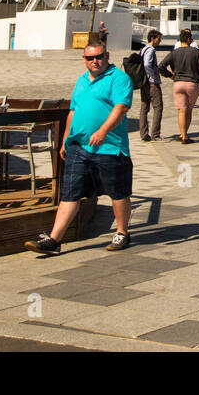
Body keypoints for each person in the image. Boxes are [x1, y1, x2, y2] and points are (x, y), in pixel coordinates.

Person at [24, 41, 134, 255]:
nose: (95, 61)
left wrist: (103, 131)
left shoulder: (119, 78)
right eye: (90, 58)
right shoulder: (82, 81)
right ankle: (54, 240)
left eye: (99, 56)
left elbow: (121, 107)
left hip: (110, 147)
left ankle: (122, 232)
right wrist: (65, 139)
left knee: (118, 192)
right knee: (70, 193)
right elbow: (73, 111)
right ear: (84, 59)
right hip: (79, 147)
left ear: (107, 55)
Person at [159, 29, 199, 143]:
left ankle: (182, 134)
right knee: (189, 110)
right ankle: (185, 136)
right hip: (192, 83)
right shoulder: (195, 52)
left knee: (181, 110)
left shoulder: (174, 52)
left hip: (178, 83)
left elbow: (161, 66)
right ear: (189, 39)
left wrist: (170, 76)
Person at [139, 30, 164, 141]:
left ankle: (144, 134)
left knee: (144, 107)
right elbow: (147, 64)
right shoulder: (150, 50)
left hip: (143, 82)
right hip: (151, 83)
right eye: (159, 39)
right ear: (153, 38)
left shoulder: (143, 49)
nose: (160, 41)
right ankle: (155, 134)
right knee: (158, 107)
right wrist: (153, 76)